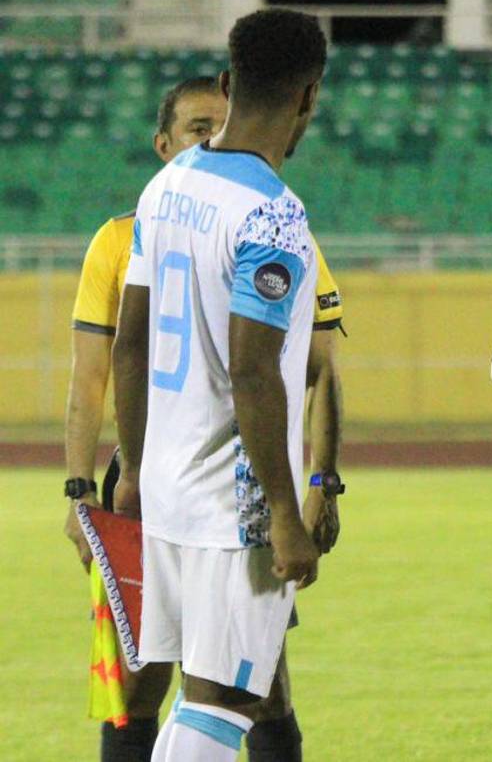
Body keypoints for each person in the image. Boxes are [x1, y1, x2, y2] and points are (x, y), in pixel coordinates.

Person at [62, 73, 345, 762]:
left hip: (165, 480)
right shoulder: (266, 214)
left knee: (232, 685)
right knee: (206, 691)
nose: (210, 135)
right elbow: (254, 370)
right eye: (196, 126)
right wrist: (284, 507)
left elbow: (132, 349)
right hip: (229, 491)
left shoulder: (164, 200)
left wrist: (131, 467)